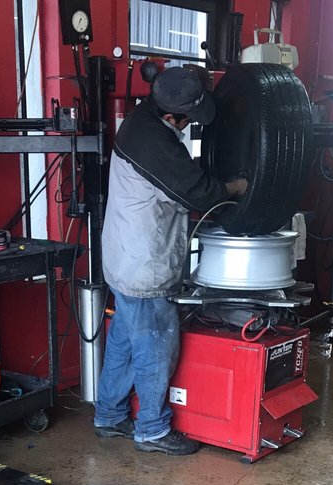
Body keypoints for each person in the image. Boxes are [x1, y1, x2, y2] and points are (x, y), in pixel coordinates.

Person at [94, 67, 248, 456]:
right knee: (156, 346)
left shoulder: (140, 120)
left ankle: (109, 415)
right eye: (188, 119)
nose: (190, 125)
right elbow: (196, 193)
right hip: (144, 266)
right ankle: (152, 429)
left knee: (125, 341)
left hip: (123, 258)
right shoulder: (156, 144)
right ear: (170, 115)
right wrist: (233, 187)